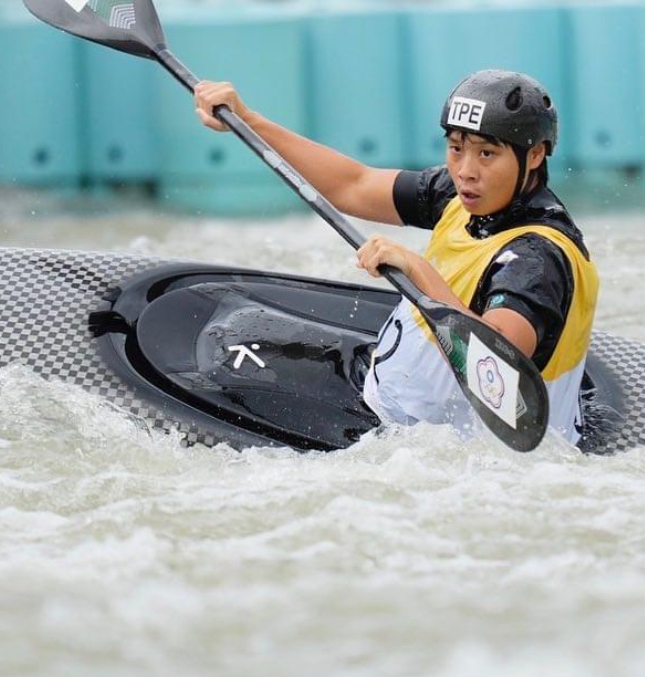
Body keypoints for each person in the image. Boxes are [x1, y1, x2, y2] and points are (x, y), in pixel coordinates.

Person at [193, 69, 599, 444]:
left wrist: (418, 270)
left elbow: (494, 370)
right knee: (236, 331)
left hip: (444, 444)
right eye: (456, 148)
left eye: (486, 154)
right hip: (397, 396)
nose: (466, 171)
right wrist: (248, 120)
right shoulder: (459, 196)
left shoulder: (535, 258)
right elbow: (354, 185)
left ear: (534, 155)